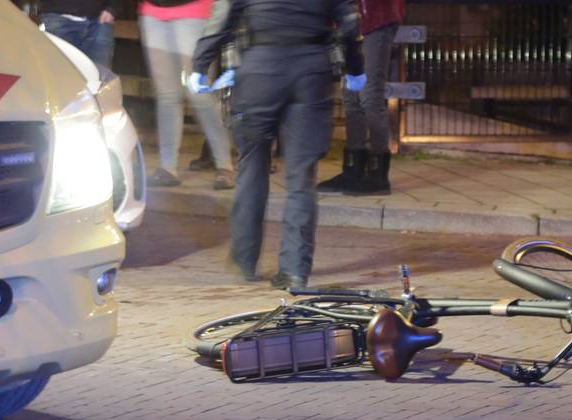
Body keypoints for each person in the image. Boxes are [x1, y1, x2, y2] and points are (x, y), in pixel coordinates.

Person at [189, 0, 364, 290]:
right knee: (301, 177)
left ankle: (245, 260)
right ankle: (295, 270)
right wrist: (356, 68)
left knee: (252, 166)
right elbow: (349, 24)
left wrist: (199, 65)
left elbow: (221, 20)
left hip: (259, 70)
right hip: (311, 72)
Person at [139, 0, 235, 190]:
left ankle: (225, 166)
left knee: (198, 93)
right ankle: (168, 168)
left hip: (194, 11)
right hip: (152, 11)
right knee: (166, 95)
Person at [318, 0, 405, 196]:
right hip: (352, 23)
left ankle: (378, 175)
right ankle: (353, 169)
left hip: (376, 20)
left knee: (369, 96)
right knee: (351, 98)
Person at [38, 0, 119, 68]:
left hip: (99, 18)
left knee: (101, 77)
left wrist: (112, 8)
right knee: (61, 75)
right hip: (58, 17)